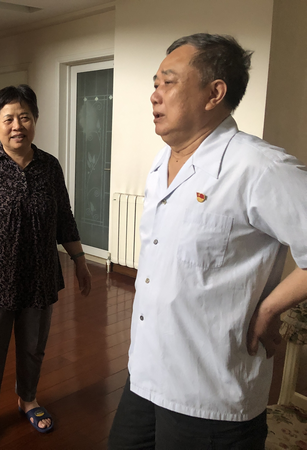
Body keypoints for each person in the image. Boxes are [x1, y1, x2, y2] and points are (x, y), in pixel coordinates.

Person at [107, 33, 307, 449]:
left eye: (168, 82)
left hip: (210, 394)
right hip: (145, 373)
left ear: (215, 93)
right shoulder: (162, 161)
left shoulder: (258, 167)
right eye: (155, 83)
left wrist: (270, 308)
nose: (154, 95)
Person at [0, 84, 92, 450]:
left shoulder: (50, 166)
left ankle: (27, 399)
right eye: (8, 119)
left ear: (35, 121)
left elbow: (64, 217)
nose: (17, 126)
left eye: (25, 117)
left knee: (33, 347)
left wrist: (80, 261)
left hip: (40, 276)